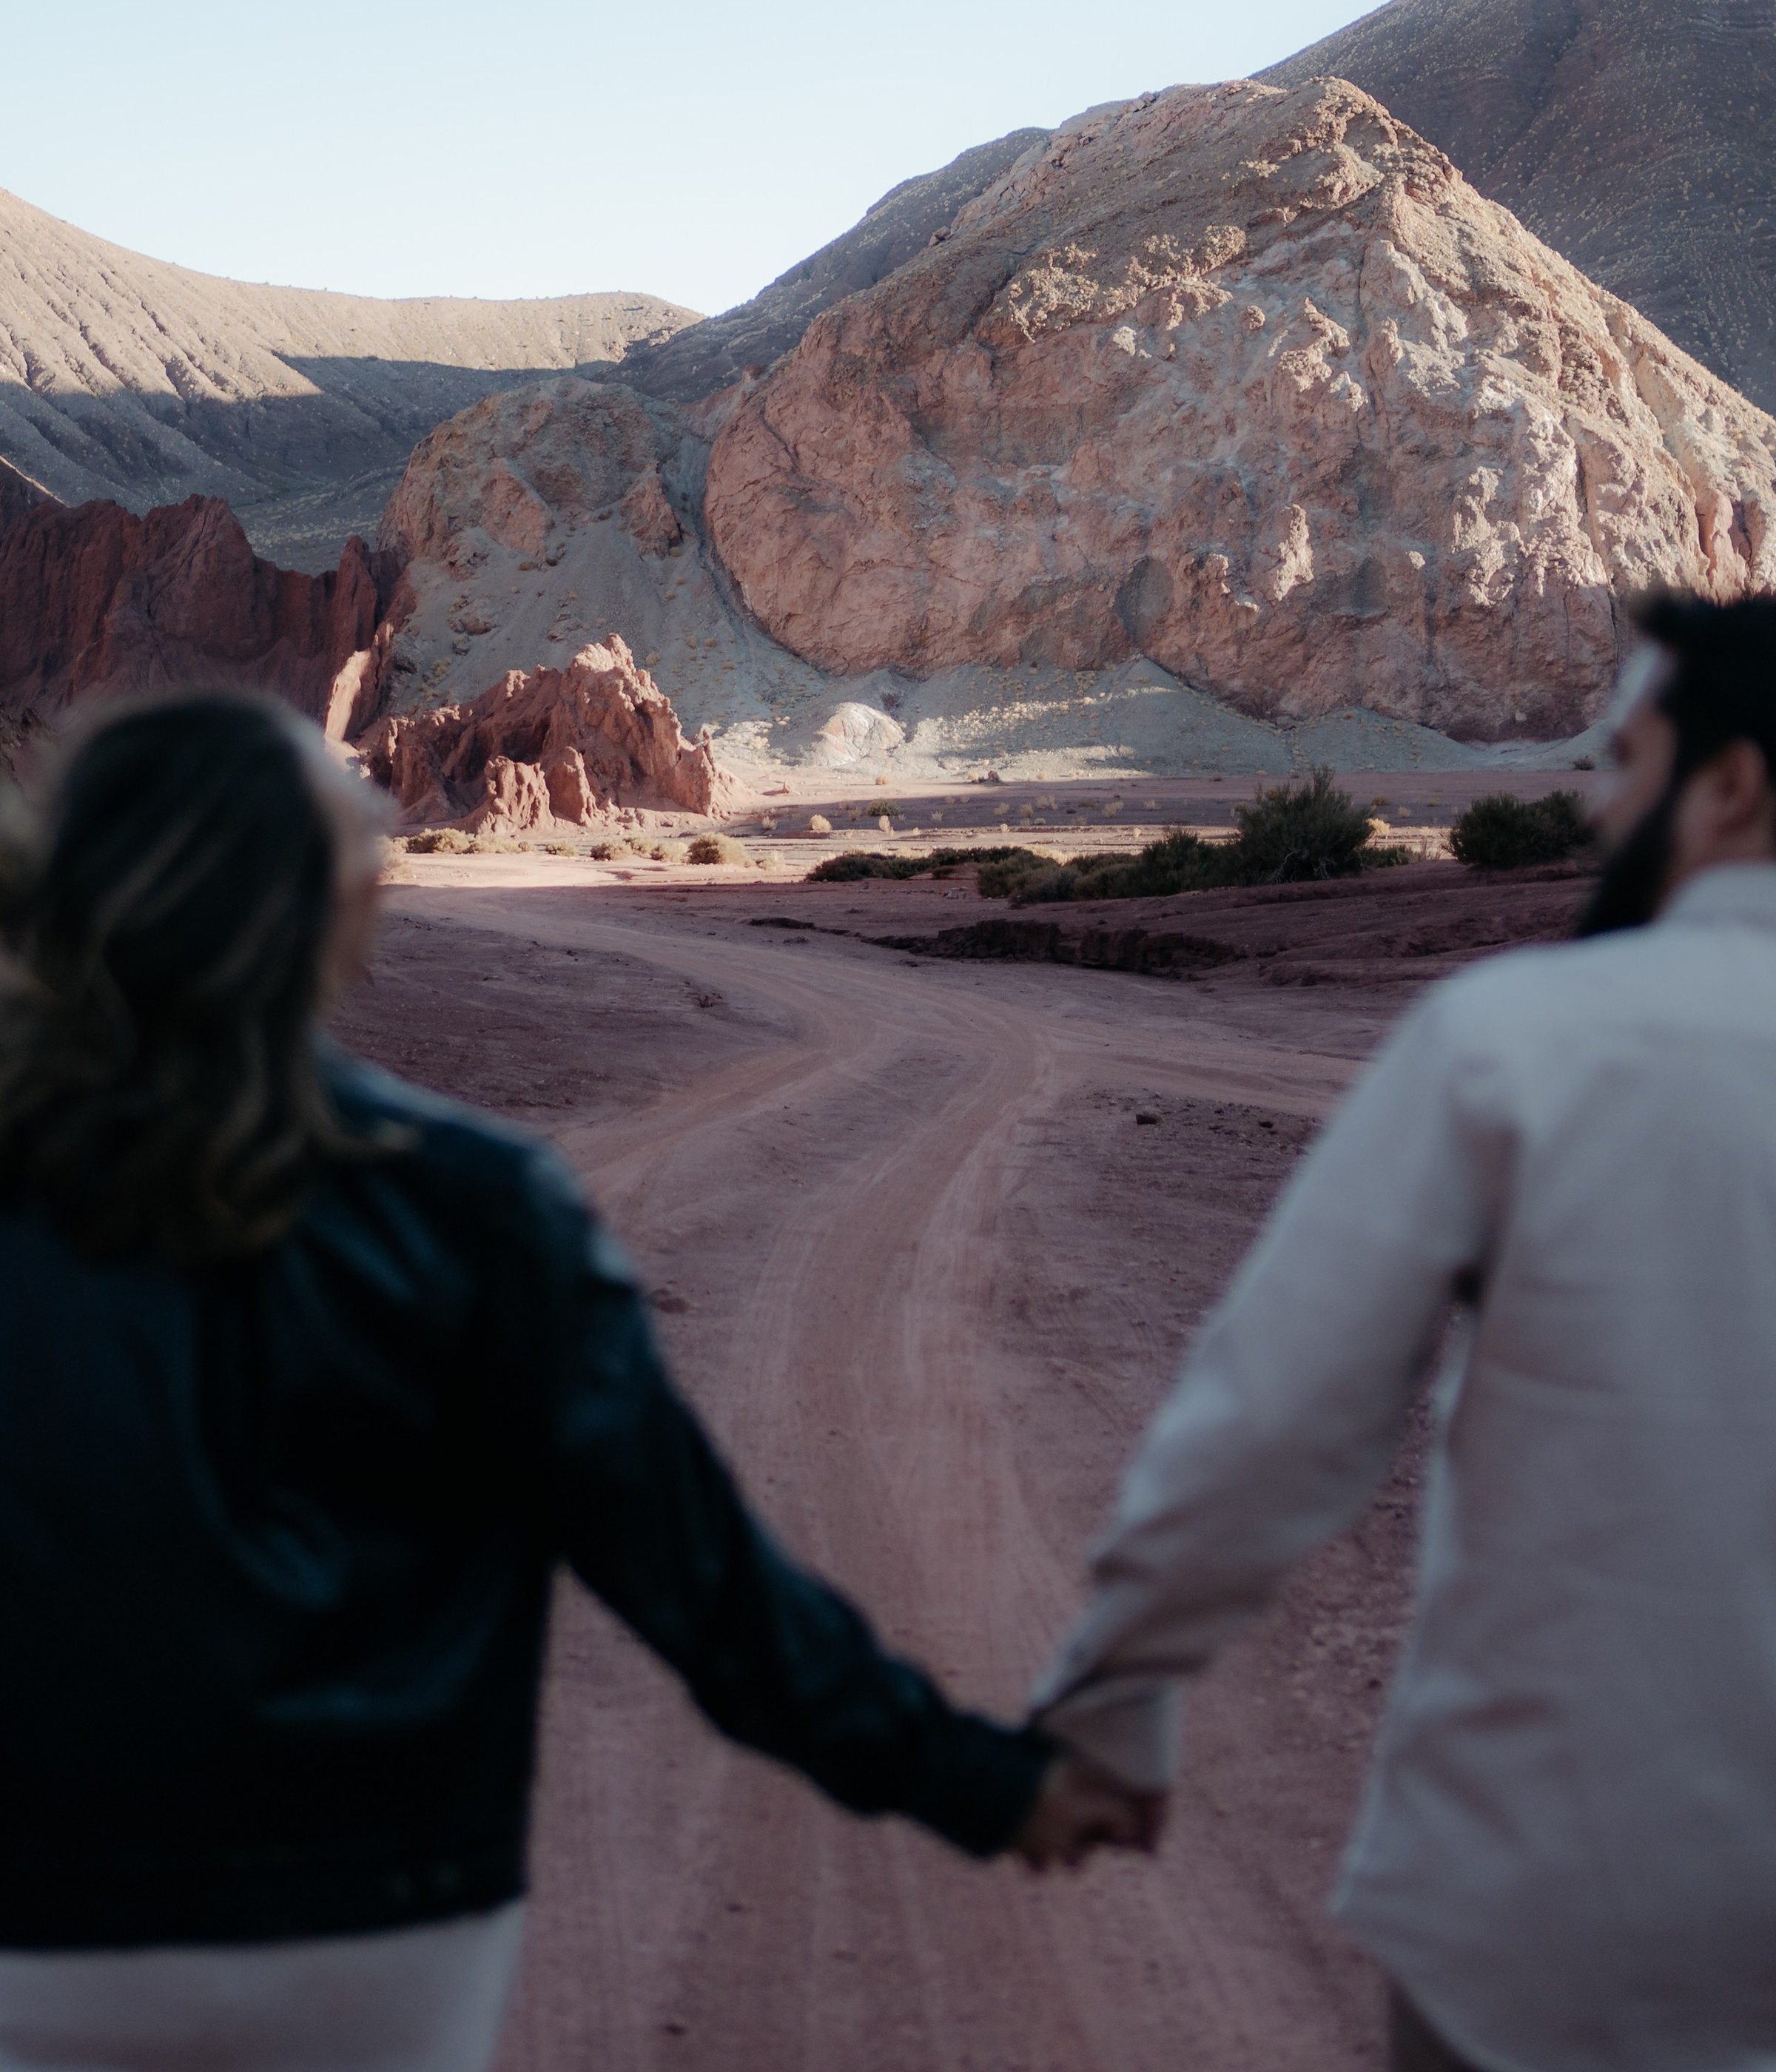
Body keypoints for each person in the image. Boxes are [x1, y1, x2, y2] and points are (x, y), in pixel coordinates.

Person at [0, 692, 1141, 2072]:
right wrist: (987, 1784)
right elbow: (709, 1592)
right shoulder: (482, 1211)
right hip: (380, 1926)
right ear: (346, 912)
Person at [1032, 592, 1776, 2072]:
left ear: (1733, 783)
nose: (1600, 802)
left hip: (1529, 1931)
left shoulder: (1513, 1038)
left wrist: (1116, 1690)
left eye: (1624, 762)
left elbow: (1275, 1412)